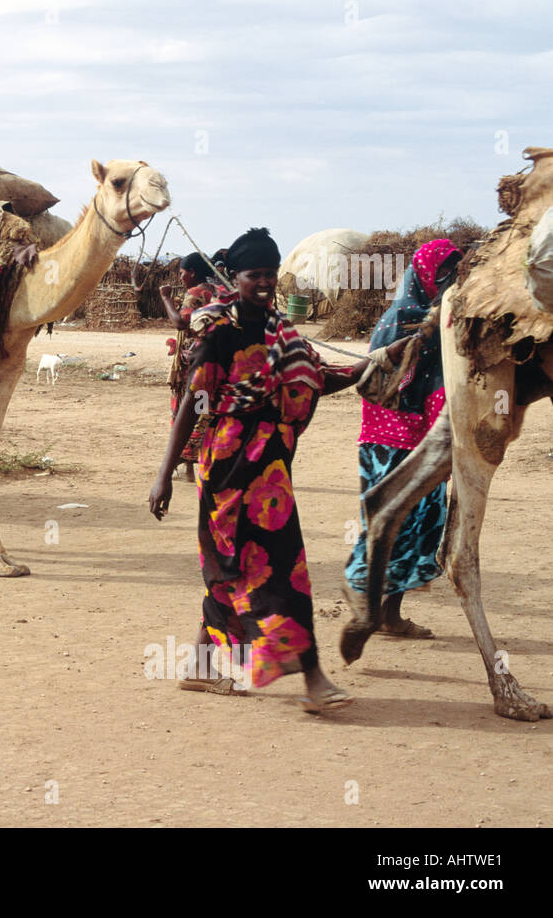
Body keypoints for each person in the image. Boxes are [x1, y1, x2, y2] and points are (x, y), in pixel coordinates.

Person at [149, 228, 410, 712]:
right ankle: (313, 679)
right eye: (255, 274)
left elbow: (317, 378)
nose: (265, 282)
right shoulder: (219, 332)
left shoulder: (279, 331)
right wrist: (164, 474)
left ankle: (199, 667)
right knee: (278, 571)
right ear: (236, 276)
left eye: (271, 274)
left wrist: (378, 360)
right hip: (227, 469)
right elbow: (193, 400)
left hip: (270, 471)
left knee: (241, 571)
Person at [344, 239, 461, 638]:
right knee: (390, 524)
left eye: (455, 274)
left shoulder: (435, 319)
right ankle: (365, 605)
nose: (450, 282)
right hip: (391, 444)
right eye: (444, 273)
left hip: (420, 439)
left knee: (422, 525)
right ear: (426, 275)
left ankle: (388, 615)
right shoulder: (405, 320)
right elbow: (401, 385)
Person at [158, 252, 231, 481]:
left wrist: (166, 298)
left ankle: (185, 462)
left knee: (184, 409)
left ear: (192, 272)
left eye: (182, 273)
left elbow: (180, 322)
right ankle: (194, 466)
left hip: (191, 363)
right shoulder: (218, 291)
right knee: (203, 409)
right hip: (211, 360)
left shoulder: (195, 294)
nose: (180, 278)